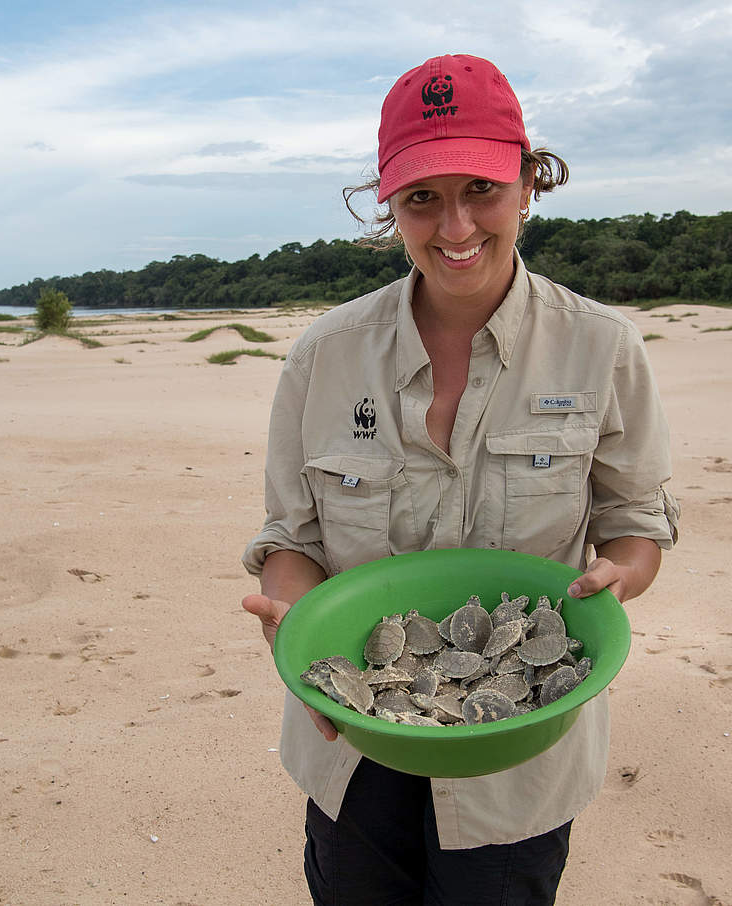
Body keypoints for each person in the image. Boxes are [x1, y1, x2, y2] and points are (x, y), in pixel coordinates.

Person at [242, 53, 679, 905]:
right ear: (391, 209)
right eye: (421, 199)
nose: (454, 226)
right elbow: (291, 538)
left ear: (526, 185)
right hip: (352, 745)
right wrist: (292, 625)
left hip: (519, 755)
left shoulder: (602, 348)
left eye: (480, 188)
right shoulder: (324, 357)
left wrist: (623, 573)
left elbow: (634, 518)